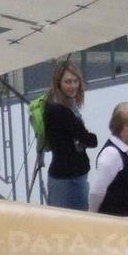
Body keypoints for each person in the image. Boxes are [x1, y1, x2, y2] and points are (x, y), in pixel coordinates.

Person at [41, 60, 98, 209]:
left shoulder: (63, 104)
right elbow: (90, 140)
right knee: (64, 227)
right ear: (58, 83)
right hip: (65, 179)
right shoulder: (59, 110)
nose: (73, 86)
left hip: (73, 174)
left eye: (75, 81)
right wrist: (87, 136)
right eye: (67, 82)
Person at [90, 101, 128, 216]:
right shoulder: (111, 153)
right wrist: (92, 217)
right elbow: (97, 192)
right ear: (118, 127)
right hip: (117, 220)